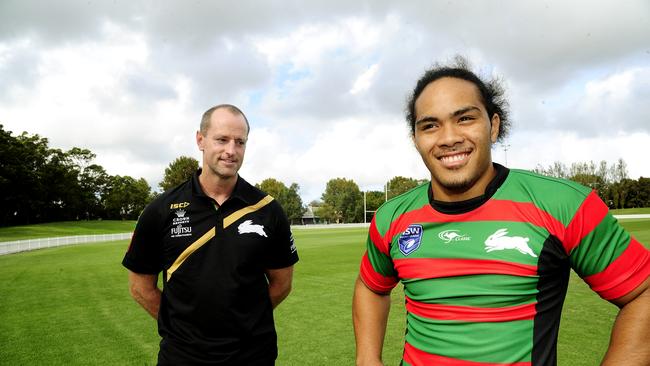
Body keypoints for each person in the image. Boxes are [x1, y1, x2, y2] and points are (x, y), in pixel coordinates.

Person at [352, 58, 650, 366]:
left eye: (465, 119)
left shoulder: (562, 205)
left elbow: (644, 292)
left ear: (493, 126)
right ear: (416, 139)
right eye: (430, 125)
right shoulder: (392, 217)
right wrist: (367, 358)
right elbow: (371, 287)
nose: (449, 137)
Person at [122, 104, 298, 365]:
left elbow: (282, 284)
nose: (231, 150)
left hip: (252, 355)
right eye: (222, 139)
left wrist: (244, 322)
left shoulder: (267, 210)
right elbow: (140, 288)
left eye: (240, 142)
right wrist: (184, 330)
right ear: (200, 140)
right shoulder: (160, 210)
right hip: (182, 357)